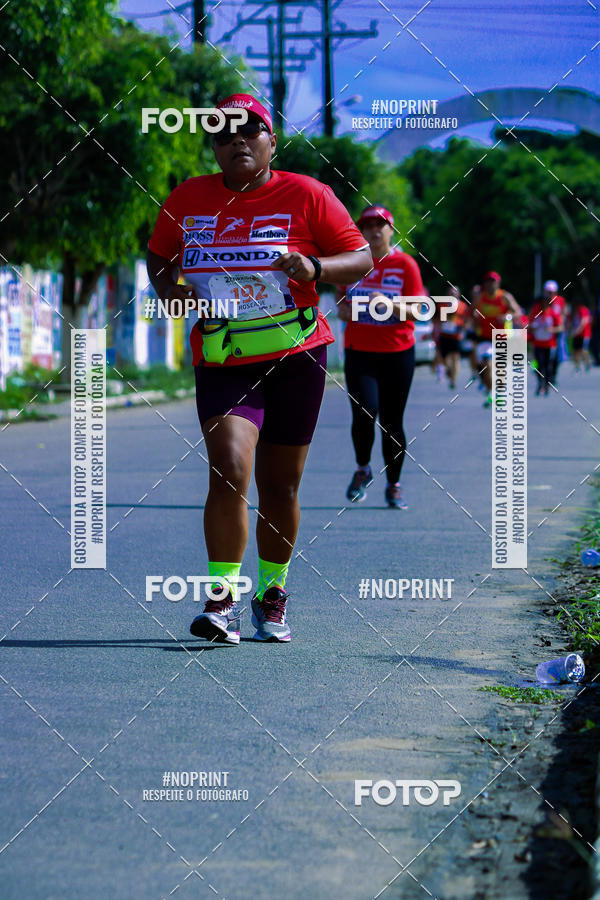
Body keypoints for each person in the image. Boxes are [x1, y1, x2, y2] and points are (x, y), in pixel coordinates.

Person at [146, 93, 372, 643]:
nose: (237, 140)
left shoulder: (306, 194)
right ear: (214, 146)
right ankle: (220, 601)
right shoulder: (189, 197)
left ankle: (272, 596)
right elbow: (159, 255)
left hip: (297, 355)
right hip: (225, 358)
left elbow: (362, 256)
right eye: (223, 133)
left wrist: (315, 265)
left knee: (280, 486)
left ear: (272, 141)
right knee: (228, 465)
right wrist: (171, 291)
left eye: (250, 130)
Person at [336, 204, 424, 509]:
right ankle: (363, 468)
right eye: (368, 226)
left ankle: (394, 484)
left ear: (392, 229)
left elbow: (419, 310)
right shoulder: (352, 263)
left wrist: (390, 304)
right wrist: (346, 311)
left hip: (397, 353)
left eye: (380, 225)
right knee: (364, 412)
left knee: (391, 421)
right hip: (360, 352)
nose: (374, 231)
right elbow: (341, 304)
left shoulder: (405, 265)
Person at [472, 271, 522, 407]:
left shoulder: (504, 297)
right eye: (488, 281)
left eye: (493, 281)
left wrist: (508, 317)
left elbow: (517, 312)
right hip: (485, 337)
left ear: (498, 283)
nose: (490, 284)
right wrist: (475, 317)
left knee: (500, 369)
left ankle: (499, 393)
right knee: (487, 364)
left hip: (502, 336)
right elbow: (472, 312)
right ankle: (491, 392)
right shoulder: (480, 297)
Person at [529, 293, 563, 394]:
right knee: (538, 365)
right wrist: (533, 327)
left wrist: (552, 329)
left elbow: (560, 327)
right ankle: (540, 383)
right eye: (541, 303)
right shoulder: (535, 313)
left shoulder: (553, 313)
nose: (543, 305)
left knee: (548, 365)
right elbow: (528, 326)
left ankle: (547, 384)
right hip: (537, 344)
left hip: (550, 344)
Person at [437, 285, 469, 389]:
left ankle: (453, 380)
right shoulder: (442, 305)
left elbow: (467, 320)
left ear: (458, 294)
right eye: (450, 293)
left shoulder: (463, 306)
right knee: (444, 359)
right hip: (444, 335)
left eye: (454, 293)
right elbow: (437, 319)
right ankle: (448, 371)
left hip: (456, 335)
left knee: (456, 357)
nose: (452, 294)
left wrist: (463, 328)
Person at [543, 279, 567, 384]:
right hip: (545, 332)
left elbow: (563, 313)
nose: (550, 293)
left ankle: (553, 375)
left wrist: (561, 325)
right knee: (545, 355)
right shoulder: (542, 302)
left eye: (552, 291)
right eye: (548, 291)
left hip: (556, 332)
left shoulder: (560, 300)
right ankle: (545, 375)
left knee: (557, 356)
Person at [570, 300, 592, 371]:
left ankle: (587, 363)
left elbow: (584, 321)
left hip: (584, 334)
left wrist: (578, 330)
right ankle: (577, 366)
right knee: (575, 350)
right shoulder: (575, 311)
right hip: (577, 334)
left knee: (583, 350)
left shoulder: (583, 309)